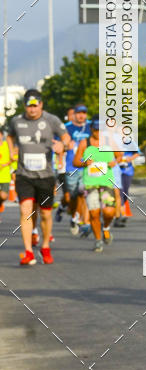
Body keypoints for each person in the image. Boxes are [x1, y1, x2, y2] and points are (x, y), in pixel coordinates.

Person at [7, 89, 71, 265]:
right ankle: (28, 251)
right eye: (29, 106)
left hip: (45, 176)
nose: (32, 109)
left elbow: (66, 137)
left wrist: (62, 145)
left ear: (41, 105)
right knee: (25, 211)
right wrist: (11, 150)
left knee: (45, 214)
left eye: (35, 106)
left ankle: (45, 246)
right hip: (24, 175)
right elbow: (10, 136)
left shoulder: (51, 120)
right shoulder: (17, 121)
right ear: (25, 106)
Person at [73, 116, 120, 253]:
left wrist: (114, 162)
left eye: (101, 130)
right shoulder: (85, 143)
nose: (98, 132)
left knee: (109, 212)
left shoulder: (109, 141)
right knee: (94, 214)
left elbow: (119, 155)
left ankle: (106, 228)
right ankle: (98, 240)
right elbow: (75, 162)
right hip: (91, 184)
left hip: (106, 183)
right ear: (91, 129)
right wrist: (84, 163)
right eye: (96, 130)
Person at [63, 104, 92, 236]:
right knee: (73, 197)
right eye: (79, 113)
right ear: (74, 114)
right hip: (71, 166)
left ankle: (85, 222)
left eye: (84, 113)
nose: (81, 115)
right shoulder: (67, 127)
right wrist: (65, 146)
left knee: (84, 193)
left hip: (86, 166)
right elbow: (58, 144)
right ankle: (74, 216)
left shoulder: (91, 126)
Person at [0, 127, 11, 217]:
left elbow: (13, 157)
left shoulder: (7, 145)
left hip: (5, 175)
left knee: (3, 196)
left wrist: (6, 163)